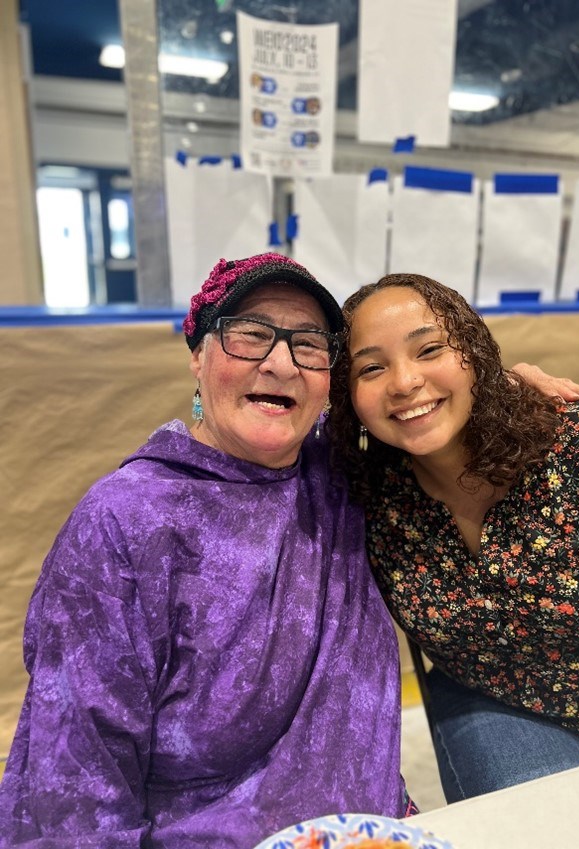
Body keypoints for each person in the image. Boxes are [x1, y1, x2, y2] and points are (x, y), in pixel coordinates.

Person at [0, 254, 410, 848]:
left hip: (378, 832)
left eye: (309, 344)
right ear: (198, 353)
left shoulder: (345, 474)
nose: (280, 363)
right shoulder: (125, 522)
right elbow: (72, 781)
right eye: (249, 335)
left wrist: (515, 386)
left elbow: (444, 417)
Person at [327, 272, 579, 803]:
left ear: (474, 352)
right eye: (372, 367)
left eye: (429, 349)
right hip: (504, 706)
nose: (403, 382)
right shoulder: (363, 490)